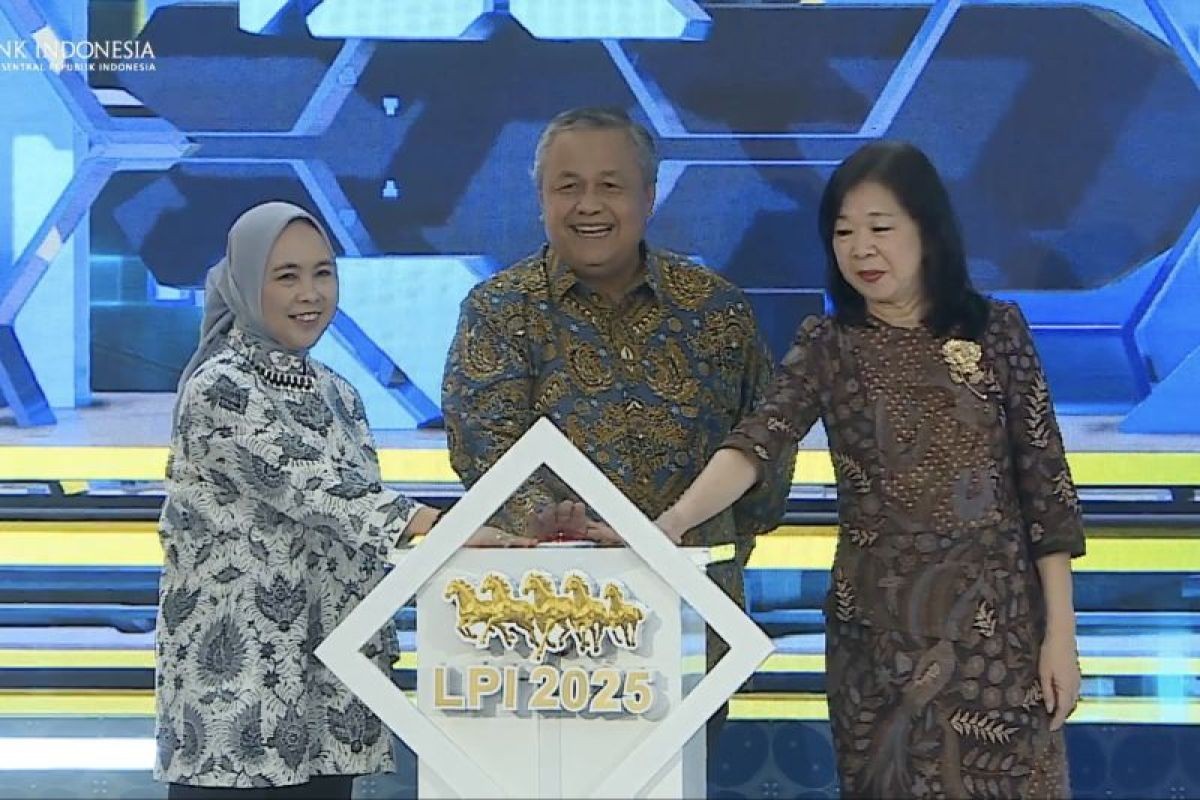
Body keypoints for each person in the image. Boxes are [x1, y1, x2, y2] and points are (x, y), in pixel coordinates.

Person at [657, 141, 1085, 798]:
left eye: (880, 228)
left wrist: (1061, 637)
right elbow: (757, 441)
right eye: (844, 232)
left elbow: (1045, 490)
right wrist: (676, 520)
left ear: (927, 231)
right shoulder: (827, 346)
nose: (861, 249)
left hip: (1000, 644)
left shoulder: (997, 332)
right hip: (879, 648)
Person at [442, 107, 796, 750]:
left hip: (693, 633)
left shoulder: (716, 309)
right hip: (547, 641)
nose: (589, 205)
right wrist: (557, 530)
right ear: (541, 199)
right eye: (567, 186)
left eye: (610, 185)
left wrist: (691, 539)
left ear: (649, 196)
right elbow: (484, 455)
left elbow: (765, 463)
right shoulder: (498, 311)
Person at [155, 202, 529, 799]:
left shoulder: (339, 392)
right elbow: (310, 487)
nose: (310, 293)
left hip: (329, 684)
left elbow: (353, 525)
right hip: (239, 696)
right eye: (286, 276)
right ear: (246, 283)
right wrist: (431, 524)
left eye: (323, 273)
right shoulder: (220, 386)